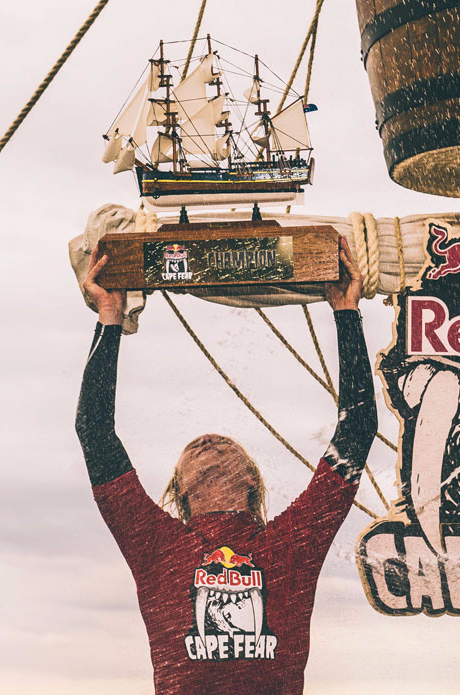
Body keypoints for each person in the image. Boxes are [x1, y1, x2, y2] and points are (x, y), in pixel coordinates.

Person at [75, 237, 377, 694]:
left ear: (252, 479)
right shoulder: (154, 545)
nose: (208, 439)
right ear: (181, 489)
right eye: (195, 447)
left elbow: (356, 432)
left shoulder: (292, 541)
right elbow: (94, 432)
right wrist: (109, 317)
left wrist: (345, 310)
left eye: (223, 443)